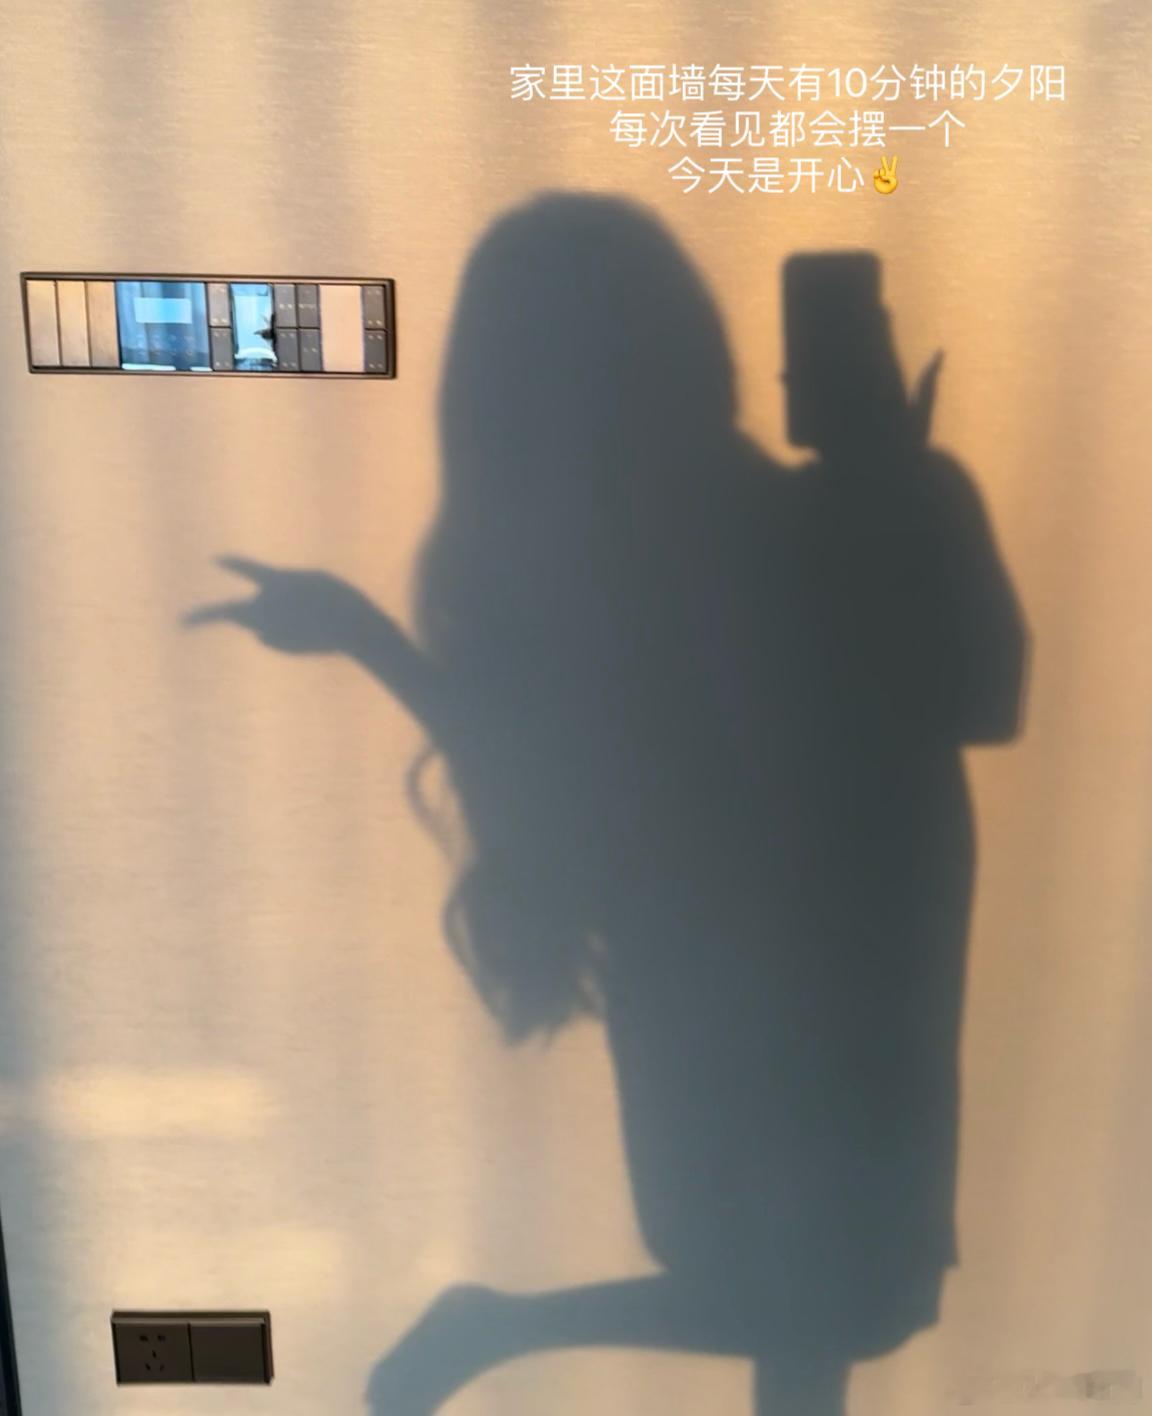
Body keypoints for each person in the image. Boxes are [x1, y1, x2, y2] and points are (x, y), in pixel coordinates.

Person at [188, 194, 1026, 1415]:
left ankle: (493, 1328)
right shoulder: (696, 554)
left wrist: (897, 486)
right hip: (775, 963)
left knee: (824, 1306)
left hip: (822, 956)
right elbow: (578, 773)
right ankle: (495, 1327)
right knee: (839, 1298)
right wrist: (898, 487)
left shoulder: (744, 535)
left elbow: (979, 697)